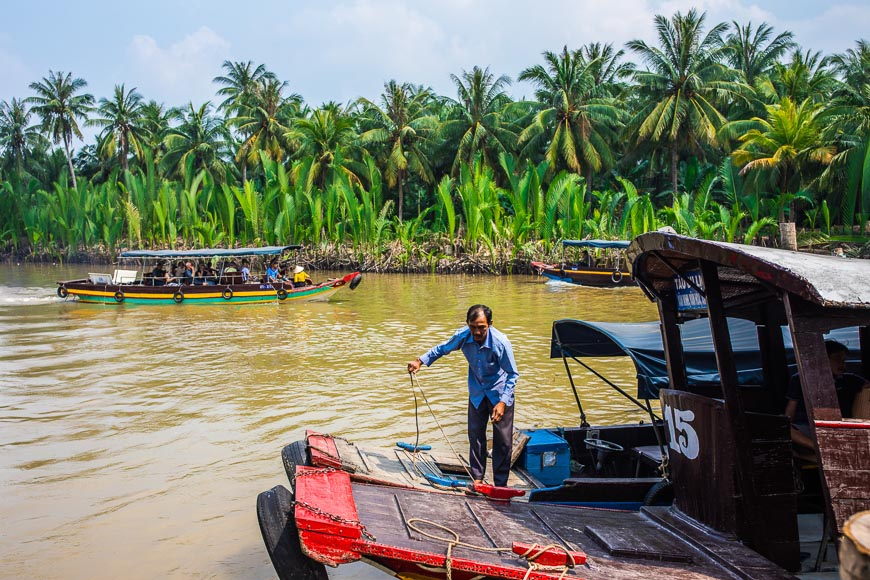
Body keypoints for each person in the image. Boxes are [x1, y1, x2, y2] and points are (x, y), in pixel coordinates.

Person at [407, 304, 519, 487]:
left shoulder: (501, 342)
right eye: (473, 327)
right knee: (475, 435)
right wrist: (420, 361)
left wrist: (503, 402)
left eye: (481, 327)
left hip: (500, 394)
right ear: (468, 324)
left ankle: (500, 484)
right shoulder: (463, 336)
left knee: (503, 441)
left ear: (490, 324)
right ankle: (477, 478)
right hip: (477, 392)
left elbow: (513, 374)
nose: (477, 332)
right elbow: (442, 349)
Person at [785, 340, 870, 457]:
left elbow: (867, 387)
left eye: (844, 360)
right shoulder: (801, 379)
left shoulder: (849, 380)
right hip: (807, 427)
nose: (842, 363)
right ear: (822, 360)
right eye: (837, 358)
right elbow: (790, 410)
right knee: (785, 430)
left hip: (838, 427)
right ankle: (822, 449)